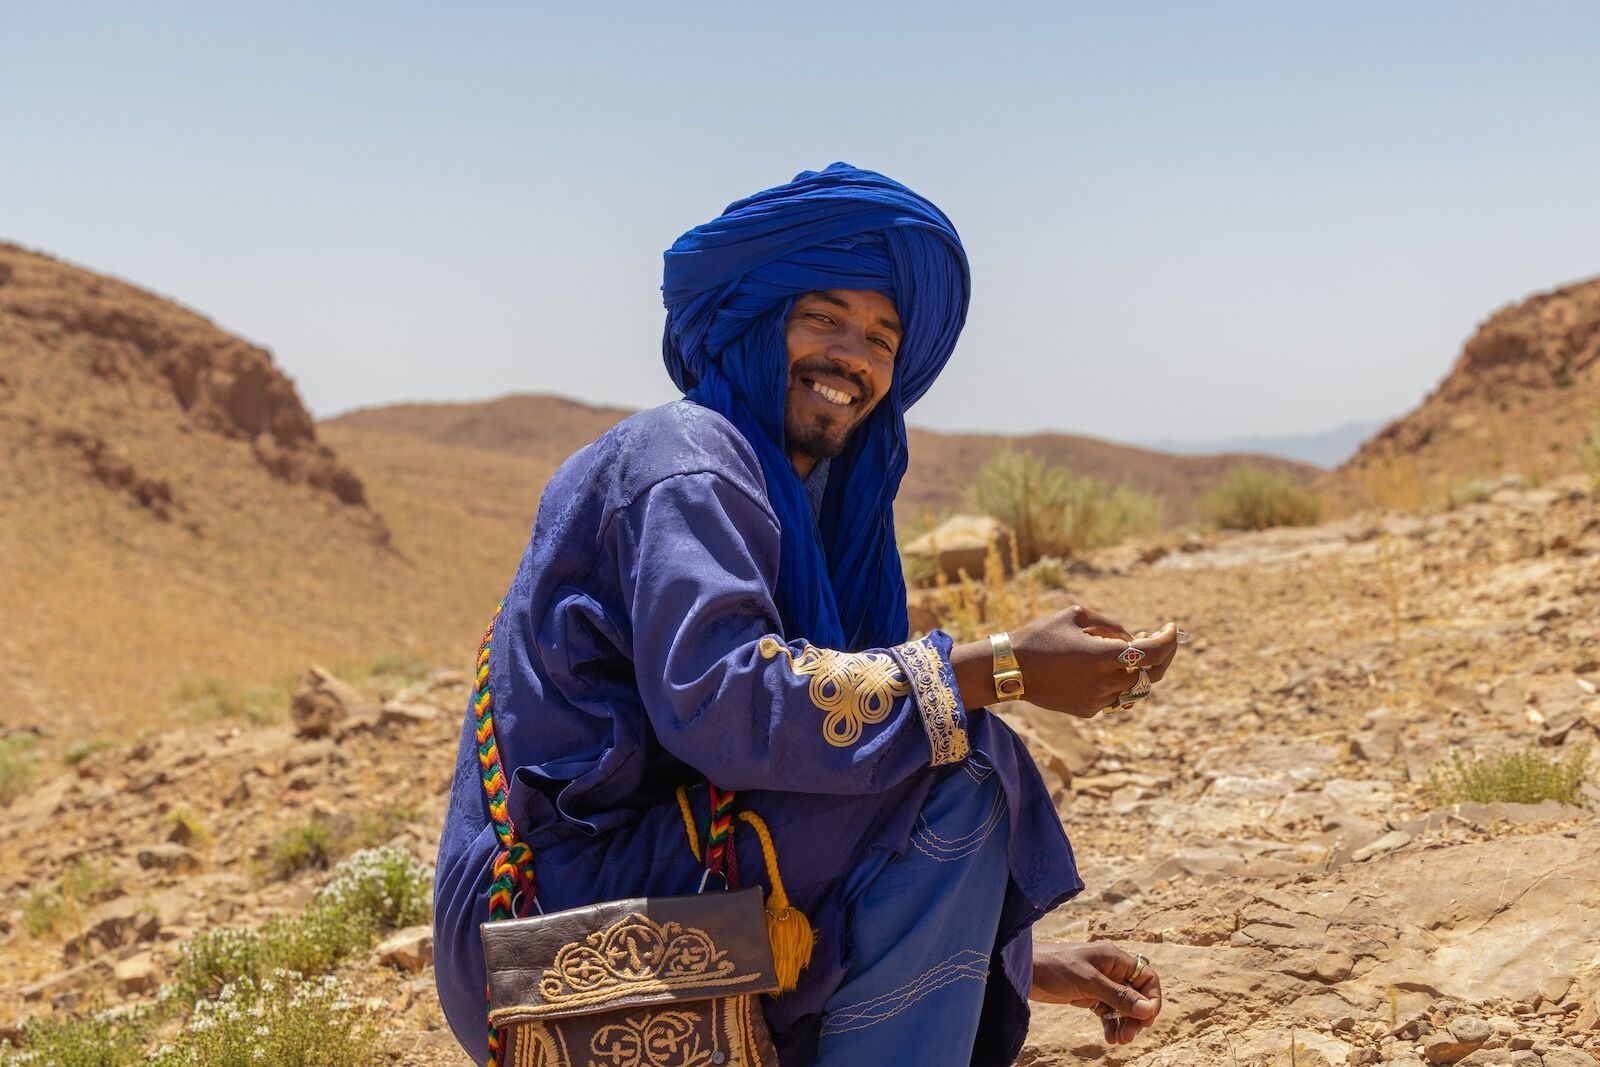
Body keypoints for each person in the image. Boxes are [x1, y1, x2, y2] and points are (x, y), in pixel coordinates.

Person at [434, 163, 1177, 1066]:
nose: (855, 358)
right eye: (824, 318)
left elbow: (841, 793)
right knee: (965, 763)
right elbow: (727, 703)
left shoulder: (808, 501)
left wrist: (1014, 960)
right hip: (546, 937)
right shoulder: (691, 460)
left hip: (672, 882)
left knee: (930, 752)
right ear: (755, 318)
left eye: (881, 339)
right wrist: (997, 666)